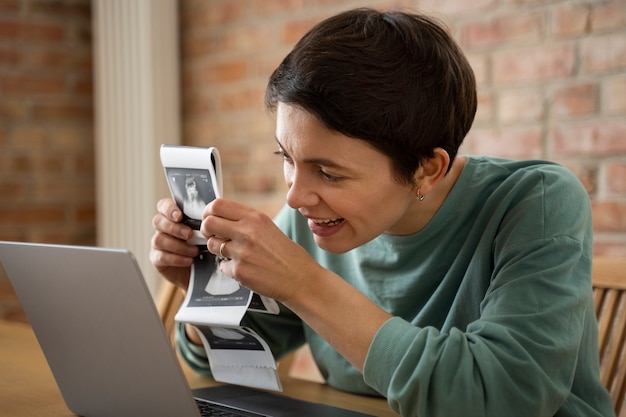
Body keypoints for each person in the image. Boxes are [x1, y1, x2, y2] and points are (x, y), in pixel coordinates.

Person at [150, 8, 614, 417]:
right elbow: (233, 366)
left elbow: (502, 399)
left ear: (427, 169)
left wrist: (303, 282)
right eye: (287, 159)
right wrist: (206, 291)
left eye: (328, 173)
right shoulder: (315, 216)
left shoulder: (537, 202)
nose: (294, 197)